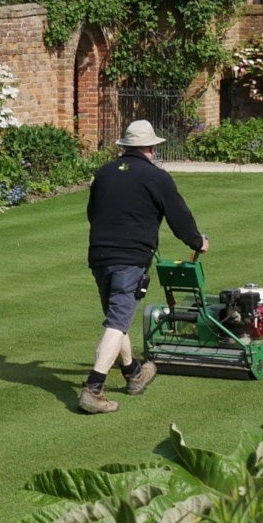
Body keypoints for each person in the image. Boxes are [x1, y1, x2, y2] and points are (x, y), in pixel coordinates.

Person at [78, 118, 205, 414]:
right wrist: (197, 242)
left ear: (125, 146)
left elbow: (92, 213)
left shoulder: (104, 173)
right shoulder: (157, 177)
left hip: (99, 255)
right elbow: (179, 217)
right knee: (117, 322)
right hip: (131, 257)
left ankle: (133, 373)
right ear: (151, 147)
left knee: (116, 319)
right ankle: (94, 388)